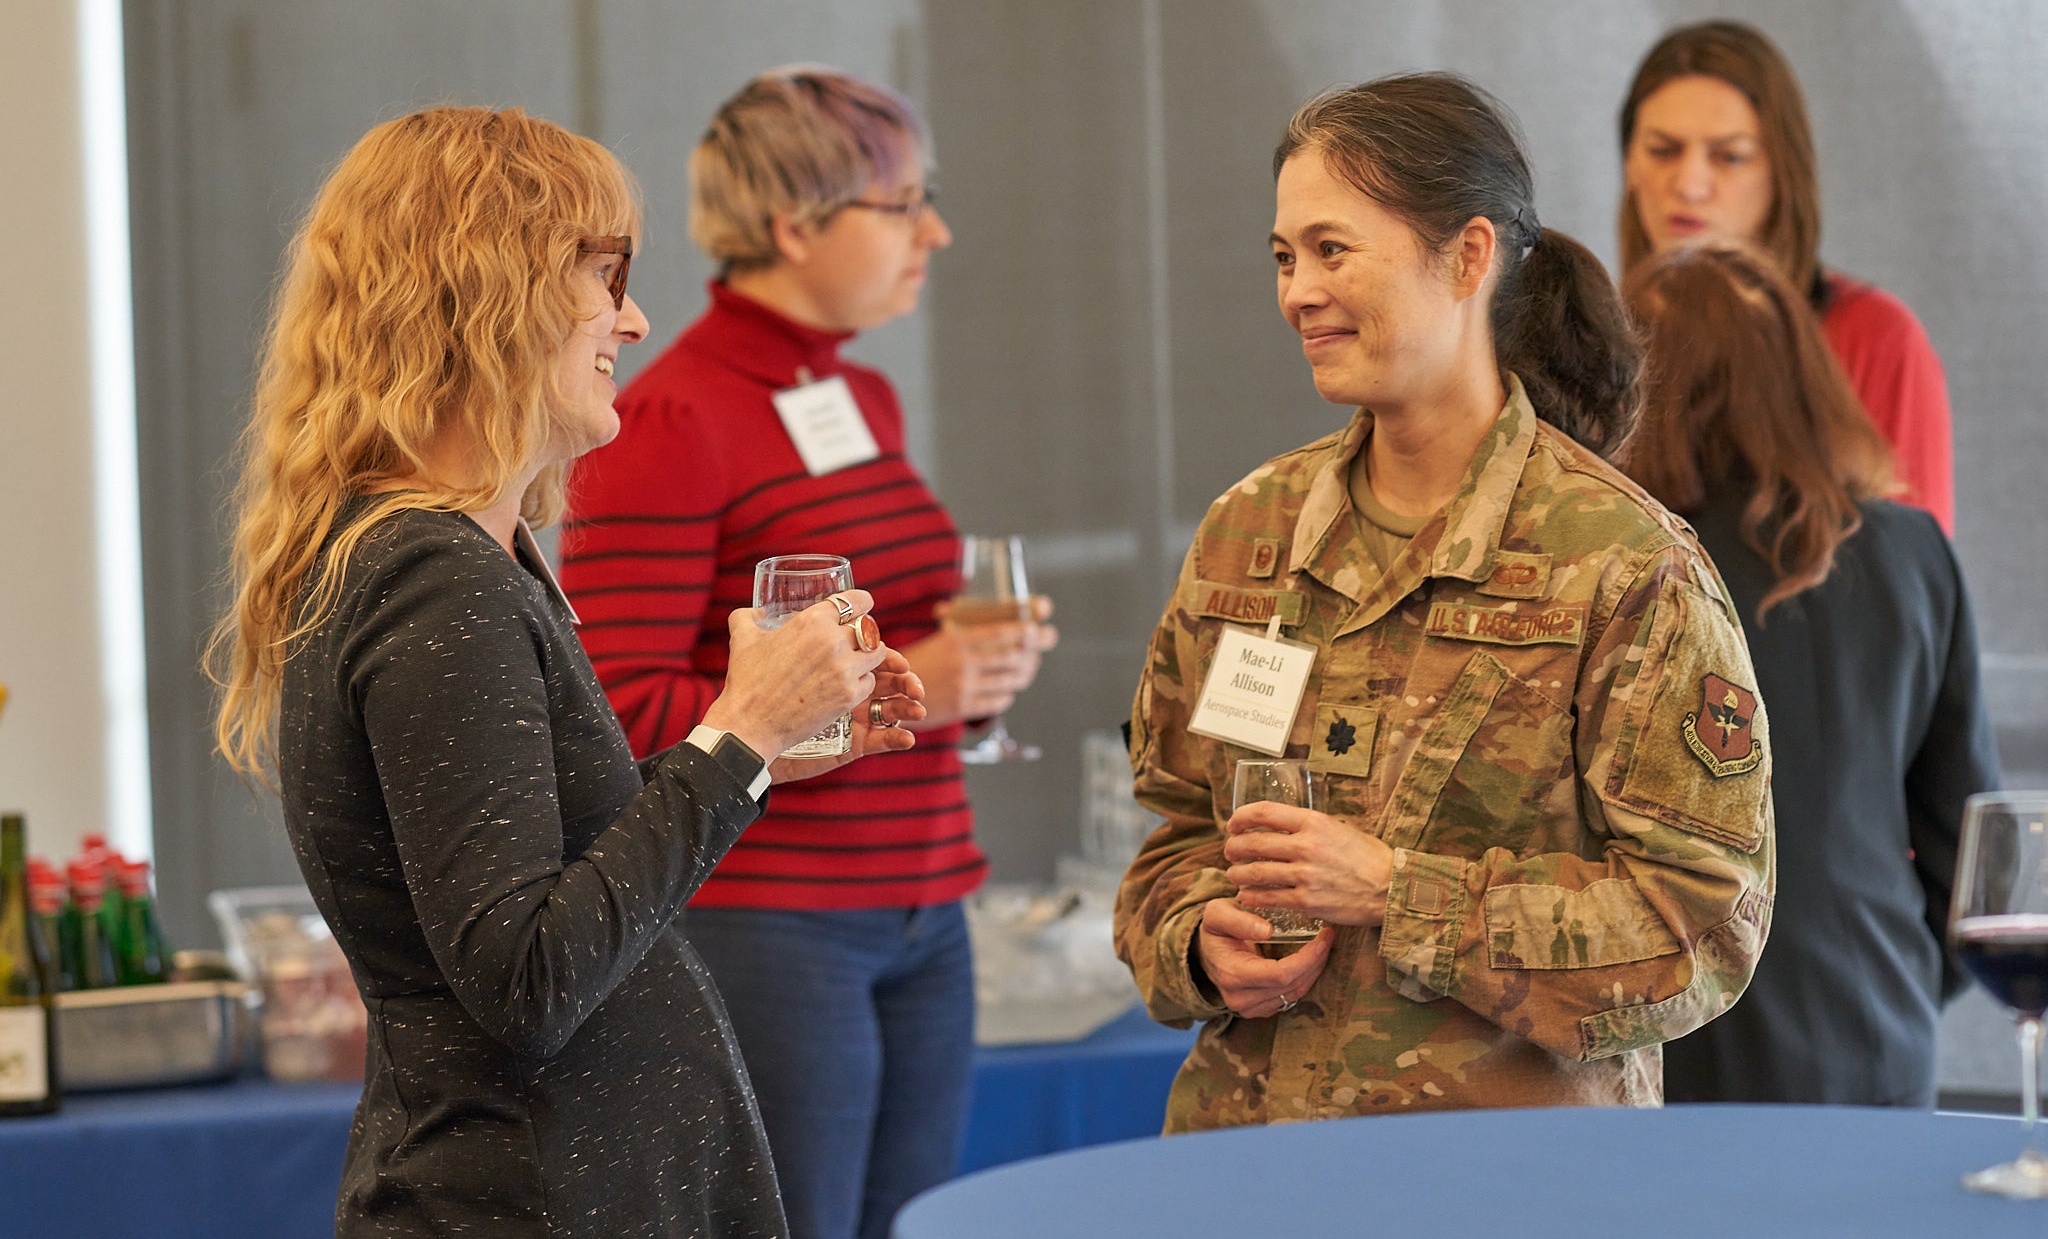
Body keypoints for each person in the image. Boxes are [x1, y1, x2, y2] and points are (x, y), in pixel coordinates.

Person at [209, 105, 927, 1237]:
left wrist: (759, 752)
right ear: (488, 294)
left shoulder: (446, 555)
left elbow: (531, 857)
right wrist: (731, 737)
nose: (634, 321)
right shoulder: (434, 577)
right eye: (605, 279)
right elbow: (527, 976)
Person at [1113, 73, 1774, 1128]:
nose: (1296, 292)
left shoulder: (1620, 562)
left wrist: (1395, 892)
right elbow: (1177, 840)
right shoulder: (1250, 532)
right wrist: (1197, 940)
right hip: (1247, 1170)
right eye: (1283, 258)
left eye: (1332, 250)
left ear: (1466, 257)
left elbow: (1698, 932)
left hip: (1504, 1187)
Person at [559, 67, 1056, 1239]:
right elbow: (618, 714)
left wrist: (958, 689)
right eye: (900, 204)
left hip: (923, 907)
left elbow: (895, 653)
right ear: (793, 226)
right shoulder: (672, 418)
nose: (932, 231)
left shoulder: (855, 393)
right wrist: (910, 690)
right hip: (773, 922)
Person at [1619, 241, 1997, 1106]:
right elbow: (1969, 852)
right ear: (1807, 375)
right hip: (1879, 1032)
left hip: (1672, 1051)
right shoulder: (1915, 556)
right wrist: (1888, 978)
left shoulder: (1625, 560)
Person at [1617, 19, 1956, 533]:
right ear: (1629, 167)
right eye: (1663, 150)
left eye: (1729, 156)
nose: (1688, 185)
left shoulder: (1876, 337)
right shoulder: (1593, 338)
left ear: (1782, 173)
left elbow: (1911, 584)